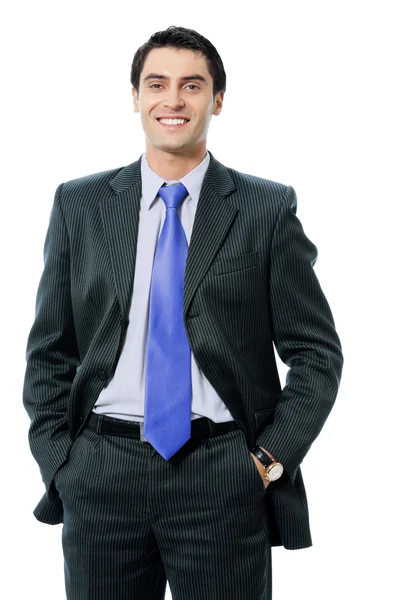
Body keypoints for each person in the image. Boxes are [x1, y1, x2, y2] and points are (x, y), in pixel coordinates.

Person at [22, 25, 344, 600]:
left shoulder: (265, 209)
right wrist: (62, 465)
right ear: (136, 98)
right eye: (157, 84)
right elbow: (51, 350)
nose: (173, 100)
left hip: (221, 473)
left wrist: (265, 463)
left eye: (192, 85)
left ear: (217, 100)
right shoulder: (81, 205)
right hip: (102, 471)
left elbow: (316, 354)